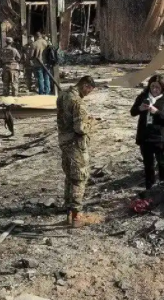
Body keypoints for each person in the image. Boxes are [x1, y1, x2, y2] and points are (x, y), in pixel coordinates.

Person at [57, 76, 97, 227]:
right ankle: (76, 215)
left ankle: (68, 209)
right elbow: (80, 128)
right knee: (79, 177)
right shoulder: (78, 103)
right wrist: (91, 123)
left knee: (69, 175)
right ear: (85, 85)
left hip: (64, 140)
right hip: (75, 144)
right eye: (89, 90)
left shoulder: (63, 95)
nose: (88, 93)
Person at [130, 74, 164, 190]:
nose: (154, 90)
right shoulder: (143, 97)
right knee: (148, 165)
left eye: (157, 87)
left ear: (162, 88)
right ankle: (149, 189)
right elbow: (133, 112)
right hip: (145, 136)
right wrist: (140, 108)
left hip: (160, 137)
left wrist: (157, 112)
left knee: (162, 164)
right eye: (152, 86)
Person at [31, 31, 52, 95]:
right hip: (47, 63)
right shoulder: (46, 42)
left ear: (35, 36)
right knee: (47, 78)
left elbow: (31, 55)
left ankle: (41, 92)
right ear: (41, 36)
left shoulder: (34, 44)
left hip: (38, 63)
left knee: (40, 78)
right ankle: (47, 92)